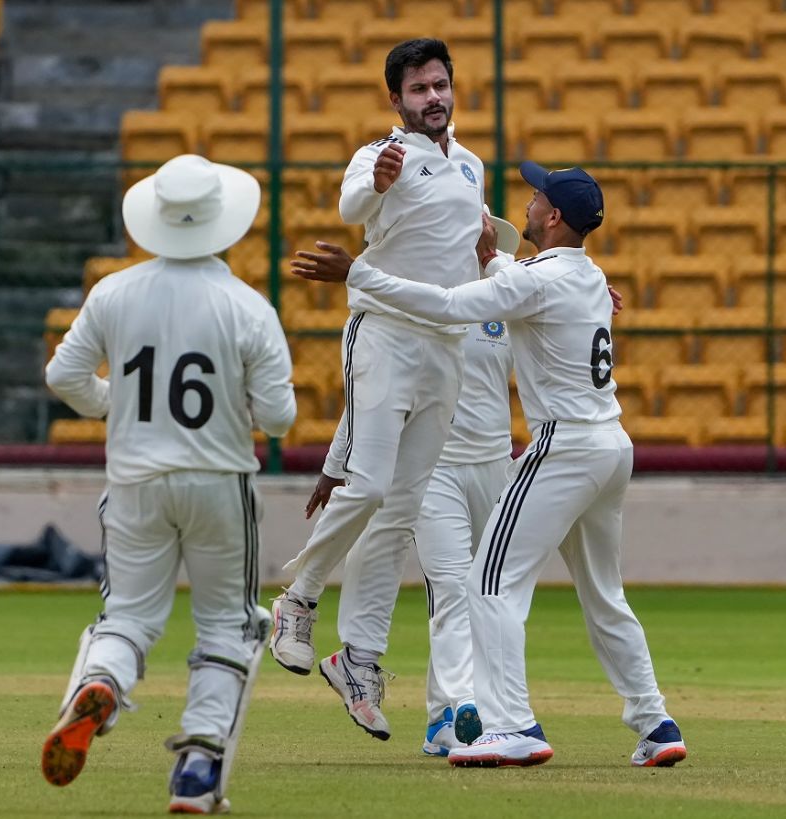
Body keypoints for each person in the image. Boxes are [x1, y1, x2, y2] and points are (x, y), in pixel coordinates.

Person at [291, 162, 687, 769]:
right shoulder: (587, 275)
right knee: (605, 594)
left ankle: (512, 726)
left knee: (487, 584)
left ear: (553, 217)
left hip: (562, 448)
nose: (528, 203)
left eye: (537, 197)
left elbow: (449, 303)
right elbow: (520, 281)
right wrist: (492, 257)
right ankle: (654, 721)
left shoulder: (539, 280)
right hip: (612, 446)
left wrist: (358, 274)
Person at [41, 154, 295, 813]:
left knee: (127, 616)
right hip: (218, 482)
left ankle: (101, 682)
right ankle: (198, 768)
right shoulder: (248, 307)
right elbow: (278, 418)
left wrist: (112, 402)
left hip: (134, 482)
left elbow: (63, 377)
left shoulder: (114, 292)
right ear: (223, 222)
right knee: (228, 626)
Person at [268, 38, 487, 743]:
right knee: (366, 488)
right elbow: (349, 205)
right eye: (419, 89)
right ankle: (298, 599)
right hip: (385, 335)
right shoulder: (378, 154)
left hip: (445, 349)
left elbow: (470, 247)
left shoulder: (471, 166)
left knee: (399, 511)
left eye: (440, 84)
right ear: (396, 99)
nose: (434, 97)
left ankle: (358, 659)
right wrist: (380, 184)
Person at [304, 211, 522, 754]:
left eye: (484, 236)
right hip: (434, 465)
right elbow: (375, 388)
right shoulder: (424, 298)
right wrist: (336, 464)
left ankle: (440, 721)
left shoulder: (506, 292)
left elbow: (552, 307)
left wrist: (590, 300)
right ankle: (467, 701)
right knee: (451, 586)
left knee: (486, 591)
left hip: (495, 464)